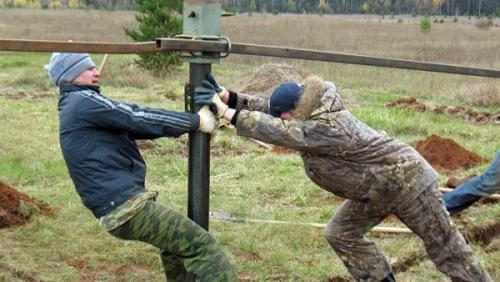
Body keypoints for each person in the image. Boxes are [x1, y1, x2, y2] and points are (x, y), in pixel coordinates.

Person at [194, 74, 492, 282]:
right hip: (377, 187)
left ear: (295, 111)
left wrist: (228, 114)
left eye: (284, 115)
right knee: (340, 232)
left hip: (407, 181)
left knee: (446, 248)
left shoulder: (327, 126)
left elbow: (281, 130)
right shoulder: (305, 109)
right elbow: (275, 114)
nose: (283, 118)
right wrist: (231, 97)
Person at [45, 53, 237, 281]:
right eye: (89, 69)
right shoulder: (83, 102)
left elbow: (136, 125)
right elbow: (136, 116)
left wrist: (187, 124)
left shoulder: (76, 104)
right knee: (203, 247)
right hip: (124, 207)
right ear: (71, 76)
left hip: (116, 208)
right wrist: (195, 122)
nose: (97, 73)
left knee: (175, 247)